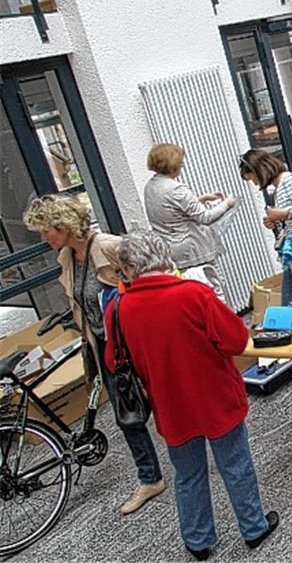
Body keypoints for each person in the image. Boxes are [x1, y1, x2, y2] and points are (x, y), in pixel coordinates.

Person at [105, 232, 278, 561]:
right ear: (165, 257)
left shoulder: (118, 307)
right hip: (216, 396)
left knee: (187, 474)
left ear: (128, 268)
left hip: (169, 404)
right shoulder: (194, 293)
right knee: (236, 465)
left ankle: (198, 541)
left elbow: (114, 360)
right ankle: (253, 528)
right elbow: (235, 341)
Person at [22, 195, 166, 516]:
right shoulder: (68, 258)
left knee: (168, 400)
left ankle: (195, 452)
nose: (43, 238)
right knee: (127, 415)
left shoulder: (111, 246)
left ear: (64, 225)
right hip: (105, 347)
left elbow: (158, 279)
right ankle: (150, 478)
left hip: (138, 343)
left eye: (45, 231)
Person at [143, 143, 236, 298]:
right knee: (212, 287)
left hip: (170, 247)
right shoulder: (176, 189)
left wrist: (201, 199)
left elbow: (172, 210)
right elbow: (205, 217)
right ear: (173, 165)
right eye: (180, 162)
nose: (182, 166)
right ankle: (222, 318)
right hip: (191, 247)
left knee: (190, 291)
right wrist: (227, 204)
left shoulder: (150, 186)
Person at [239, 149, 292, 305]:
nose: (255, 184)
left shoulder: (290, 181)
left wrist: (284, 214)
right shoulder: (279, 187)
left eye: (253, 178)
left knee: (290, 302)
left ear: (259, 171)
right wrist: (275, 222)